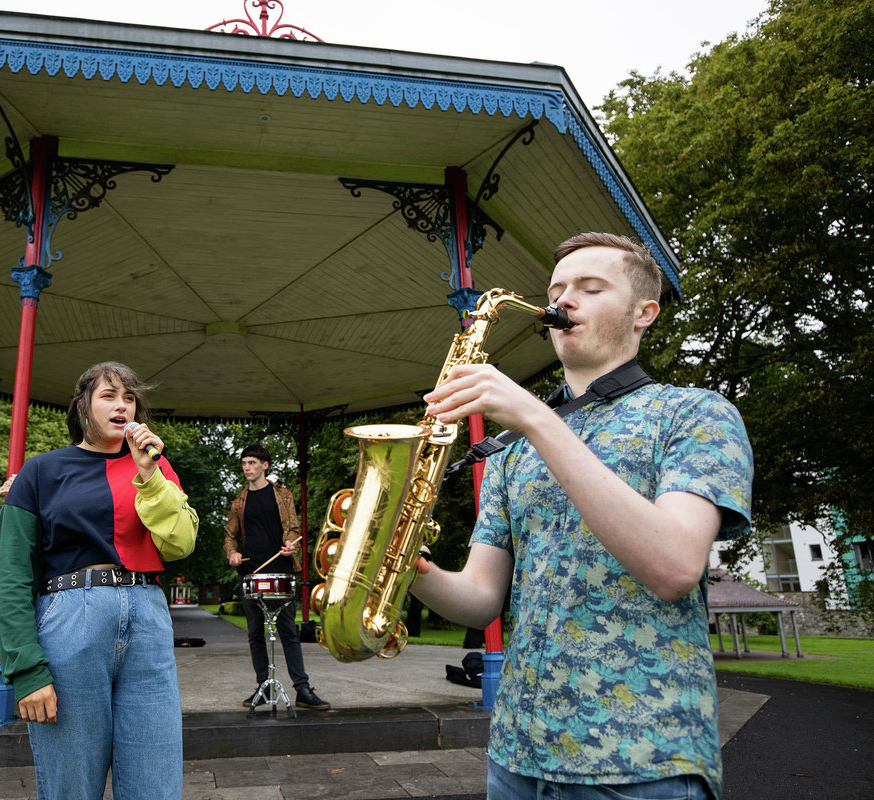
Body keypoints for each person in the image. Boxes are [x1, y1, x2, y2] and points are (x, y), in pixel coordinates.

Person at [410, 232, 753, 800]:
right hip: (516, 758)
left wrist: (539, 421)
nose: (564, 301)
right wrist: (407, 567)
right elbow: (480, 597)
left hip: (642, 763)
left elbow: (674, 566)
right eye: (557, 289)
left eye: (591, 288)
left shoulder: (695, 414)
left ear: (645, 314)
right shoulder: (509, 451)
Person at [0, 361, 198, 800]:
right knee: (72, 786)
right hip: (70, 617)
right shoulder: (40, 471)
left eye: (130, 398)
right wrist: (26, 669)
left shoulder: (157, 469)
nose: (122, 405)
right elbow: (10, 574)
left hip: (148, 617)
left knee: (156, 784)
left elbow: (180, 545)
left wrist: (149, 474)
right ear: (83, 405)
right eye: (109, 395)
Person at [224, 444, 330, 711]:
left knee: (288, 632)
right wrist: (232, 553)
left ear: (265, 465)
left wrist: (291, 543)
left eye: (252, 462)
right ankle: (265, 686)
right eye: (244, 463)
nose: (247, 467)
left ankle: (302, 689)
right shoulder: (239, 502)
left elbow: (293, 529)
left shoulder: (283, 495)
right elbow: (230, 535)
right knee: (255, 633)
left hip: (279, 569)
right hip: (249, 572)